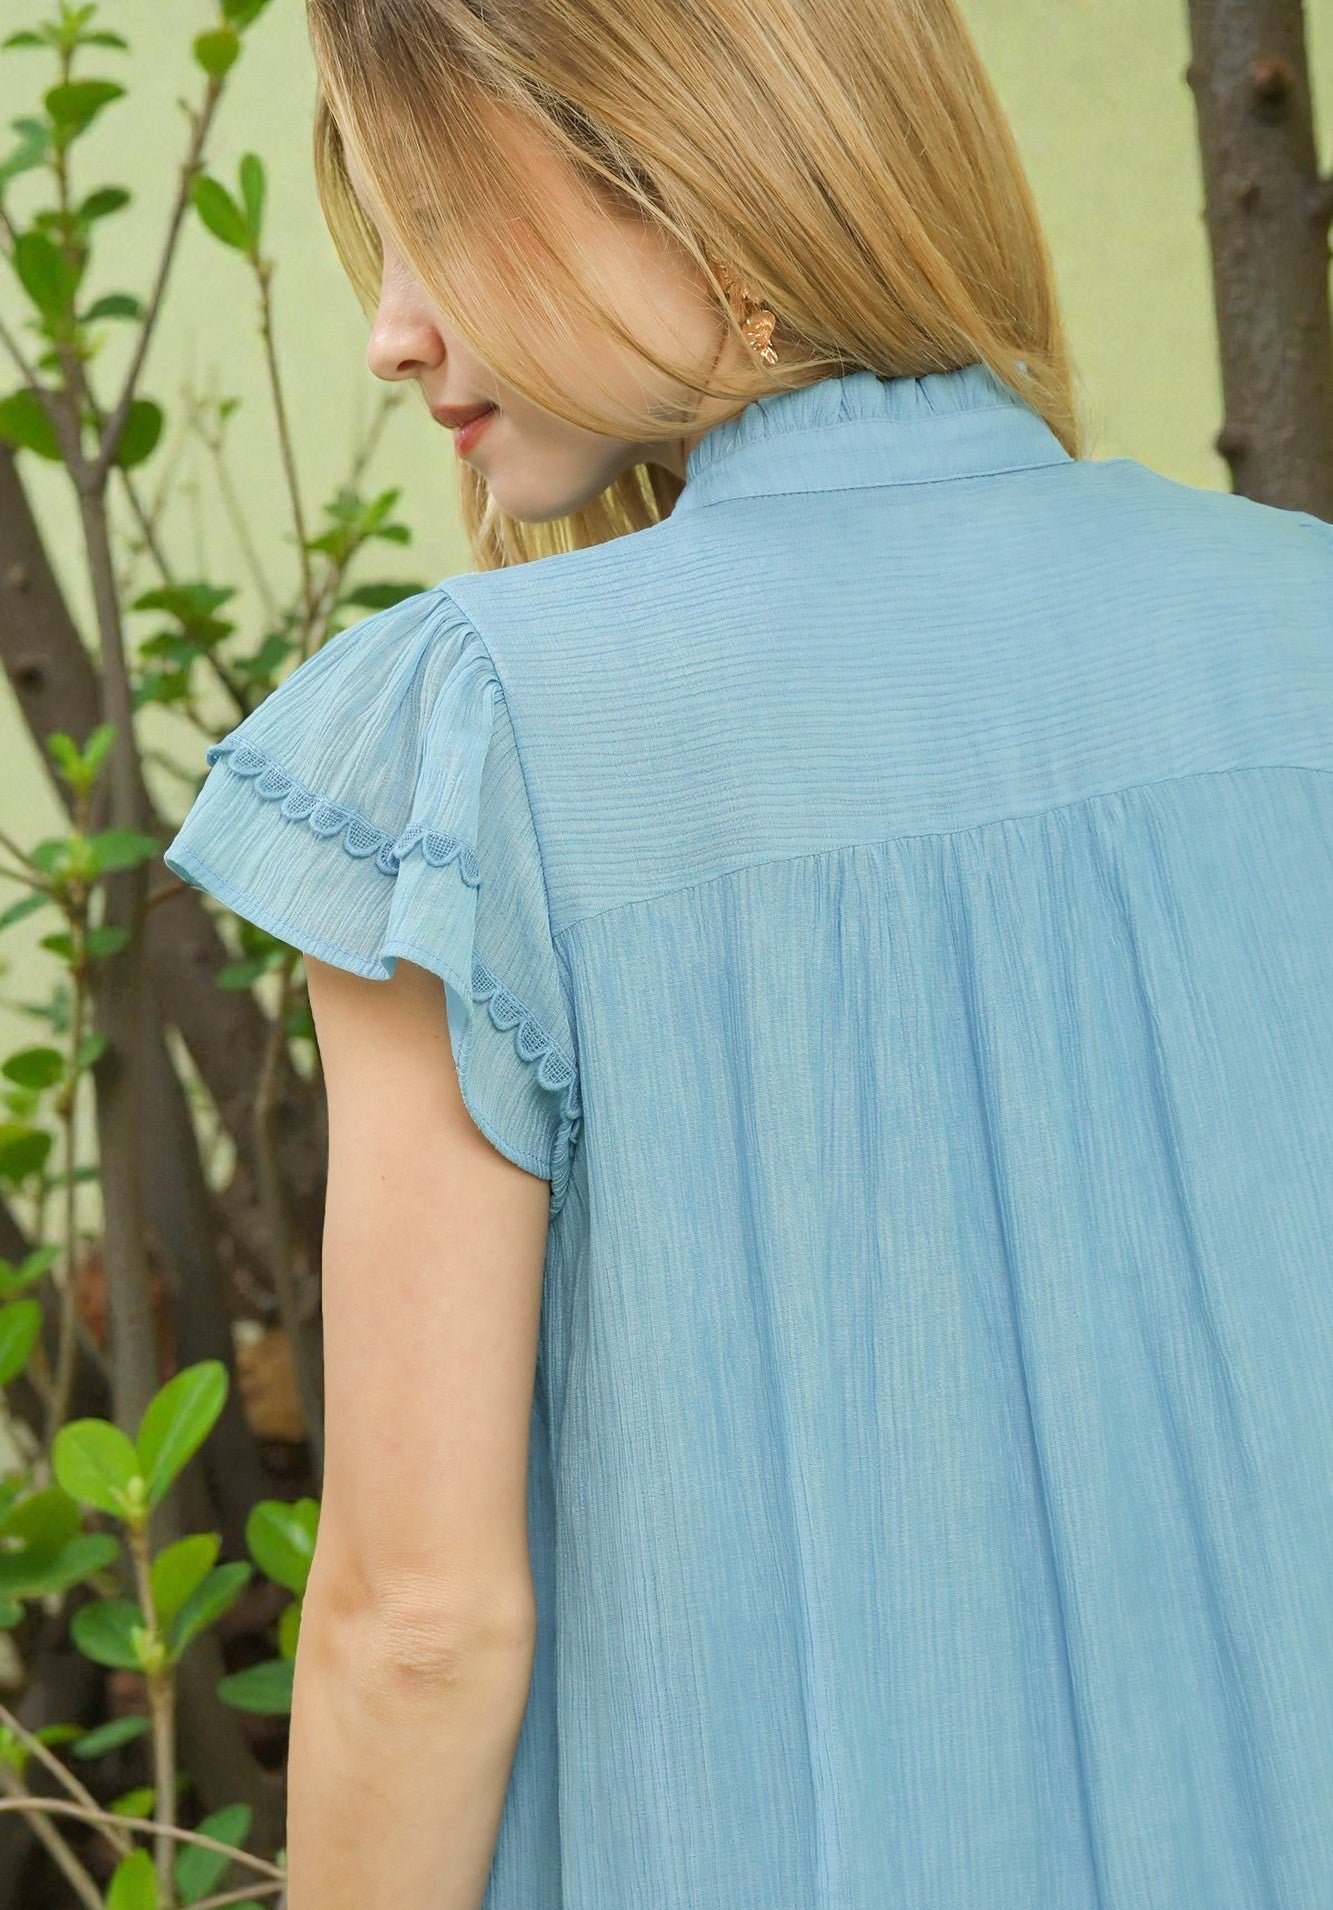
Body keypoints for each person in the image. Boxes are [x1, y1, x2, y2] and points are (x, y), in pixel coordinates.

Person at [162, 0, 1333, 1904]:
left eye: (428, 217)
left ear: (685, 168)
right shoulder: (1304, 633)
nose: (389, 327)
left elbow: (419, 1621)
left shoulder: (480, 742)